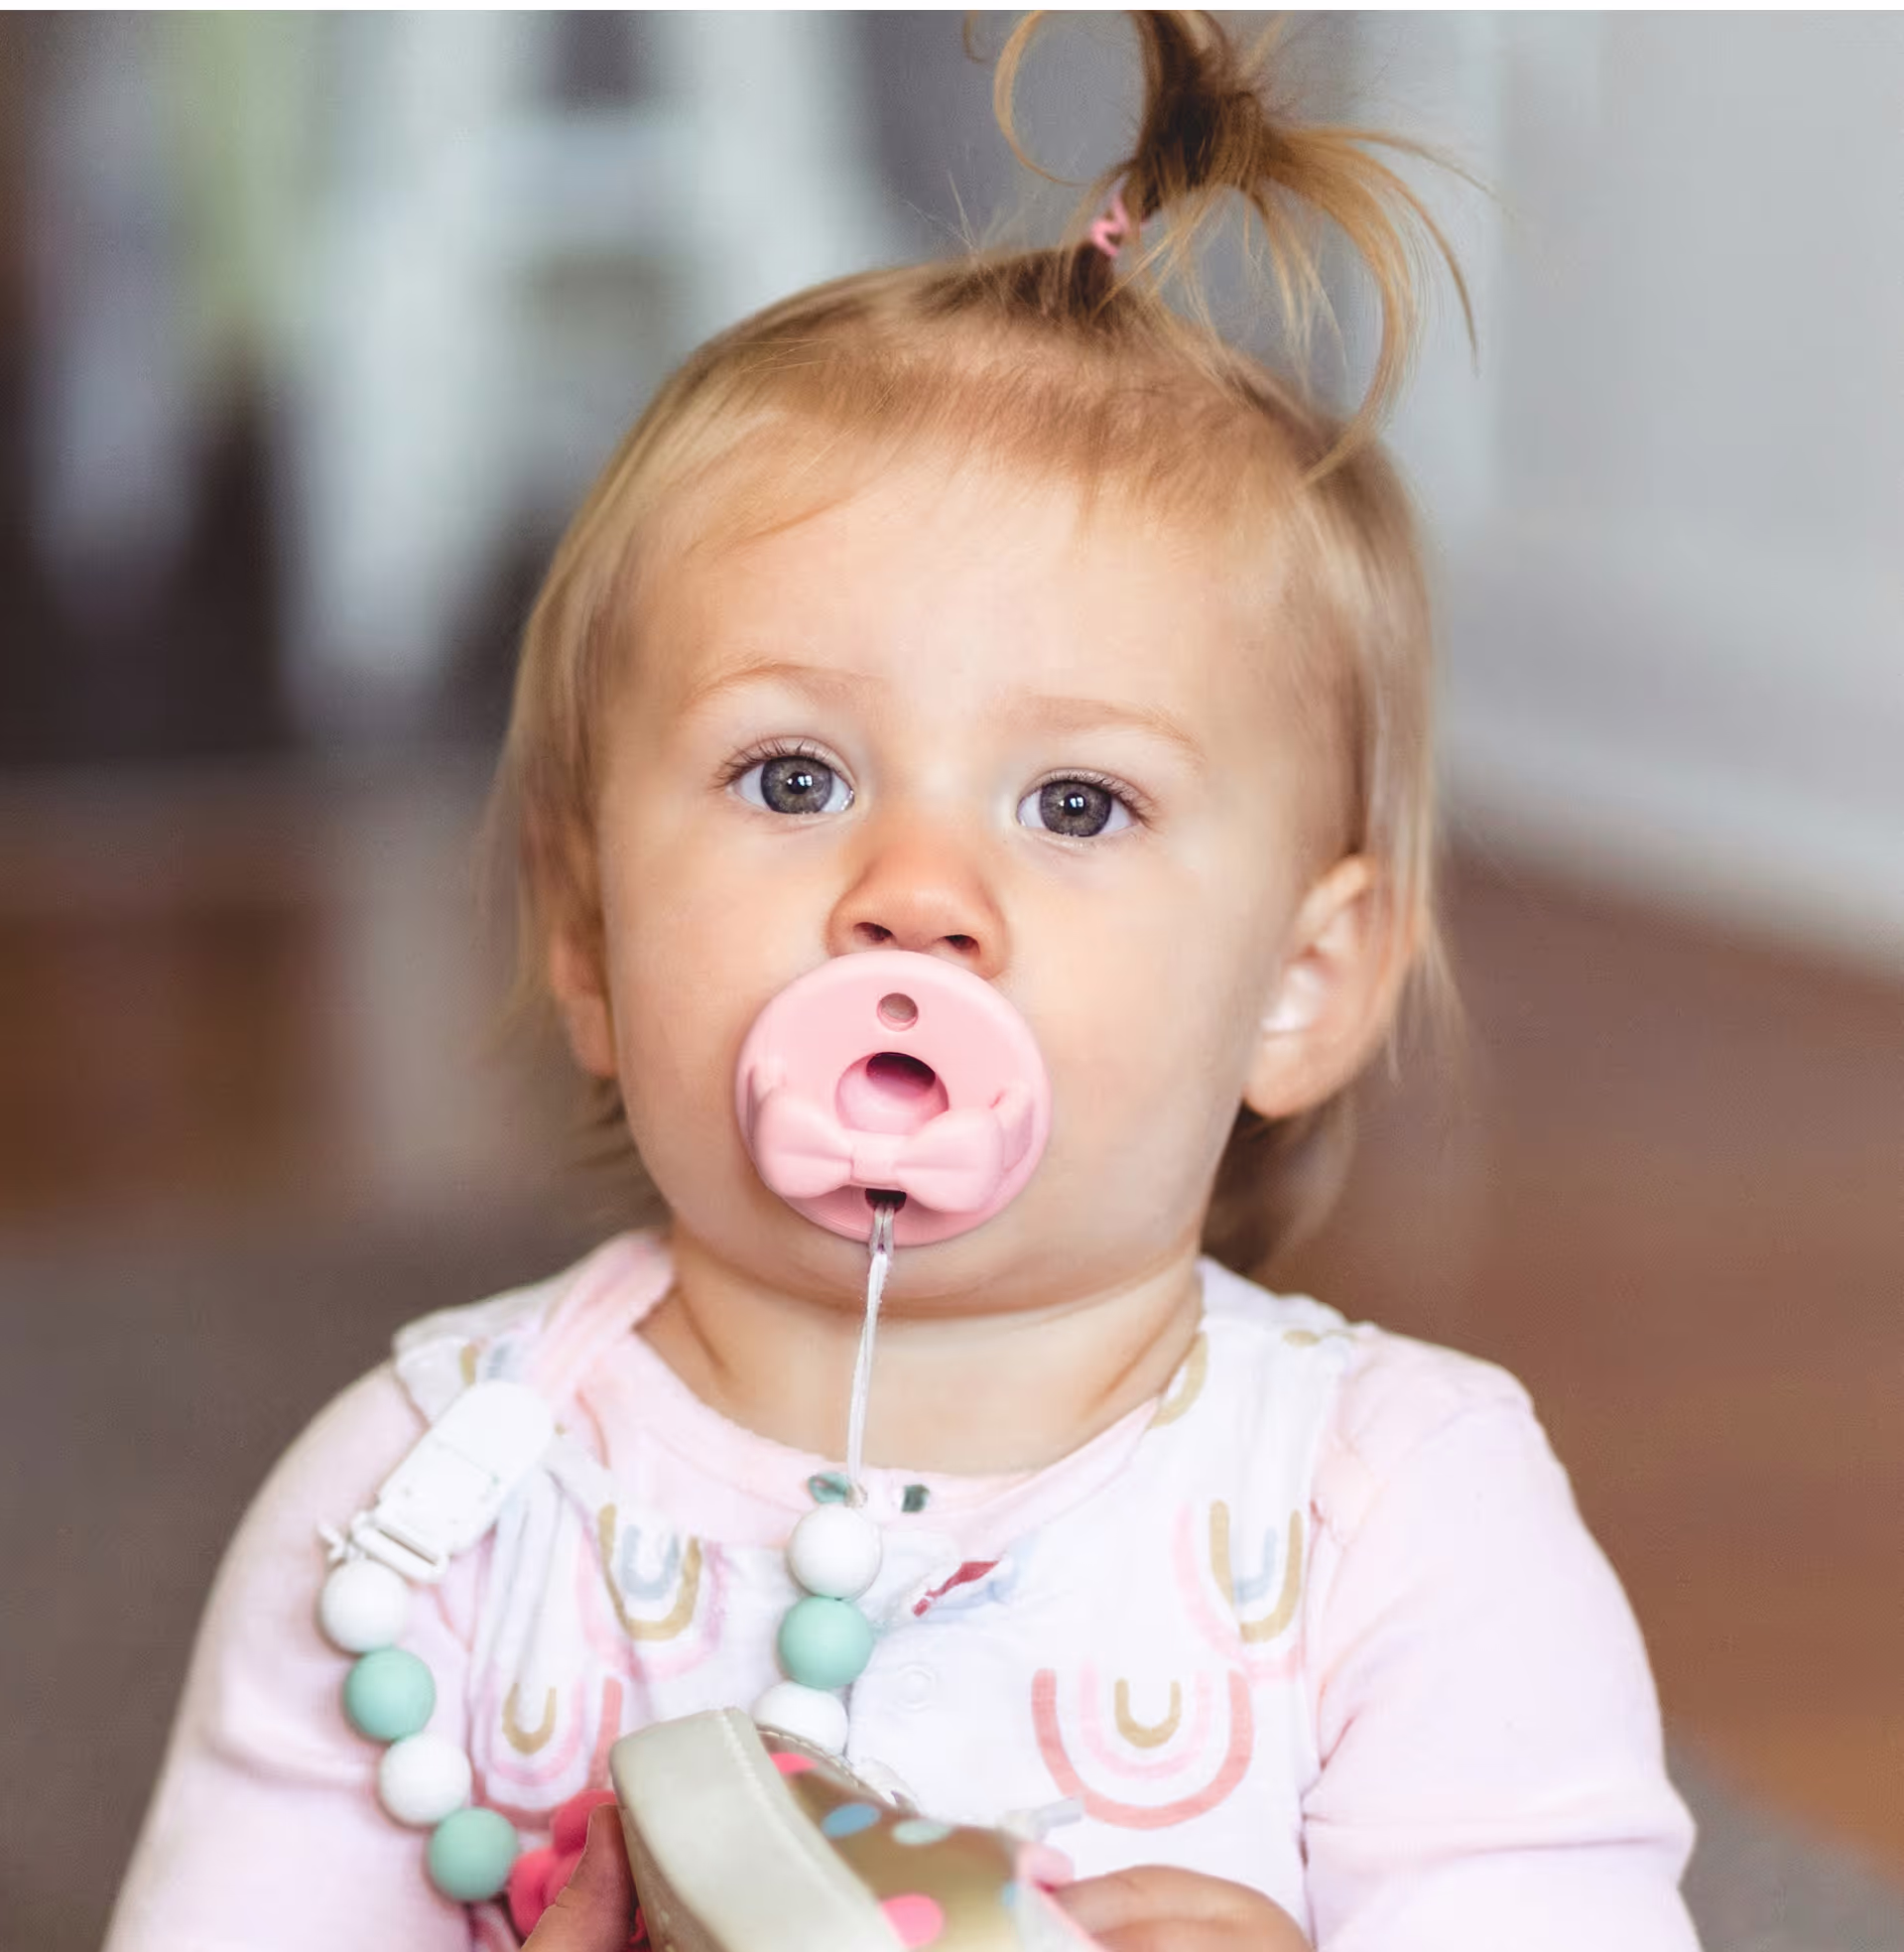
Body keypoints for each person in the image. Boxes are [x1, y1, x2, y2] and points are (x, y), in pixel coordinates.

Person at [105, 14, 1700, 1951]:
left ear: (1297, 981)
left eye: (1075, 799)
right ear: (591, 938)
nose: (915, 896)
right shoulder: (421, 1504)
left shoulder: (1396, 1515)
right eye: (793, 777)